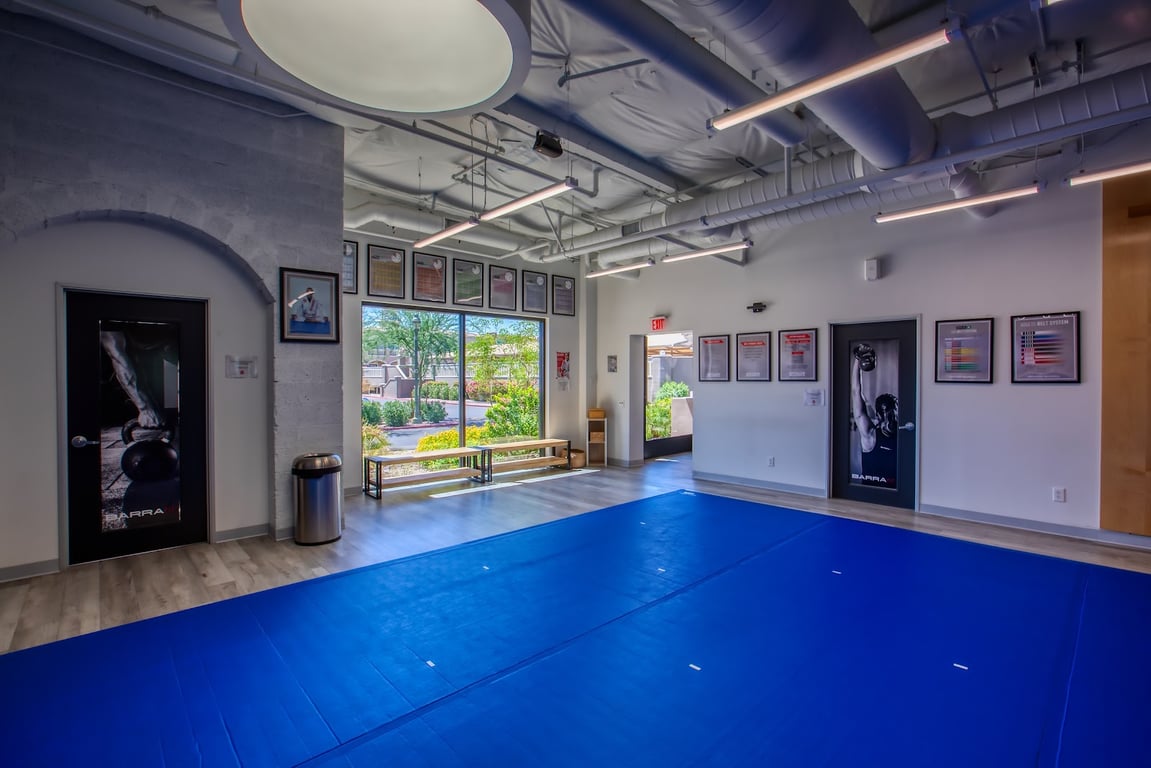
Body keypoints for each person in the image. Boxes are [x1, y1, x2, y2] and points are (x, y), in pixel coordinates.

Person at [851, 343, 899, 487]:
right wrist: (857, 360)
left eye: (892, 411)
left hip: (898, 495)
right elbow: (856, 392)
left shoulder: (904, 434)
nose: (890, 415)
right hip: (872, 493)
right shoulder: (870, 436)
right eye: (886, 412)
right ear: (878, 415)